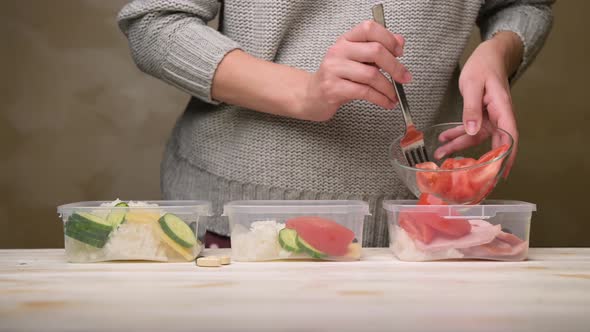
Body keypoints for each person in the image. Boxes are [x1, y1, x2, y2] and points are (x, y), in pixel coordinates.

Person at [117, 0, 554, 247]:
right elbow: (155, 24)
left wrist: (500, 50)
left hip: (421, 228)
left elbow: (524, 5)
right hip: (241, 224)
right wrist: (304, 92)